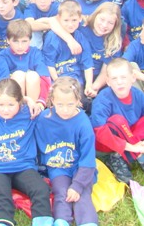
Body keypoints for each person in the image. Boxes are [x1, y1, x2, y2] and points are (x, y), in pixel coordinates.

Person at [0, 79, 52, 226]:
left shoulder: (29, 113)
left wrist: (30, 101)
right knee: (1, 196)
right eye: (1, 105)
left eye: (11, 105)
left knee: (41, 189)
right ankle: (3, 222)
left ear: (20, 102)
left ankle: (42, 221)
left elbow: (55, 116)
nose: (6, 110)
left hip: (23, 166)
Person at [91, 58, 144, 185]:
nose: (119, 82)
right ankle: (140, 157)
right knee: (117, 120)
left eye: (123, 77)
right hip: (107, 143)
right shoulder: (103, 99)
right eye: (114, 78)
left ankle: (122, 156)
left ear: (133, 78)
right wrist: (134, 148)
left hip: (130, 135)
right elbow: (99, 132)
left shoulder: (138, 94)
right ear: (108, 82)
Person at [36, 77, 98, 226]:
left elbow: (88, 159)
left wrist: (77, 186)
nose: (65, 110)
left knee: (82, 195)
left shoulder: (83, 123)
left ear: (78, 101)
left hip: (80, 168)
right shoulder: (44, 119)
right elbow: (37, 147)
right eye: (60, 104)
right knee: (61, 192)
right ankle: (62, 221)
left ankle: (88, 222)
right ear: (52, 101)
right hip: (58, 168)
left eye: (70, 104)